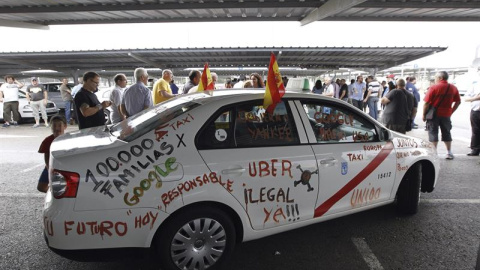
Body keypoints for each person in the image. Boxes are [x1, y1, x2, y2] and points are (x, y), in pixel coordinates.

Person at [423, 71, 461, 160]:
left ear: (440, 78)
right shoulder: (453, 88)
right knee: (447, 132)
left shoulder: (433, 87)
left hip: (434, 115)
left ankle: (434, 154)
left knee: (433, 132)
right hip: (446, 115)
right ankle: (449, 152)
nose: (435, 79)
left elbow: (426, 103)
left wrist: (424, 115)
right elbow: (458, 102)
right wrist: (451, 111)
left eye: (436, 78)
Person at [37, 114, 67, 193]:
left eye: (59, 125)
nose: (57, 128)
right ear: (51, 127)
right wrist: (49, 168)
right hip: (51, 166)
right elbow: (46, 155)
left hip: (66, 167)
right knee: (41, 187)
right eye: (54, 126)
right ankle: (53, 195)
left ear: (65, 126)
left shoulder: (69, 139)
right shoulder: (47, 140)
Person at [464, 82, 480, 156]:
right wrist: (475, 98)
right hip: (476, 111)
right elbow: (466, 98)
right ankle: (475, 149)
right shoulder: (475, 85)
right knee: (475, 130)